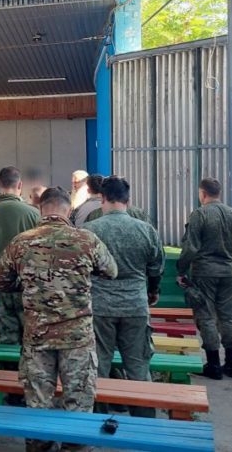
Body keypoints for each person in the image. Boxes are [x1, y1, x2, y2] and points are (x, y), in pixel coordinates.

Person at [0, 187, 118, 452]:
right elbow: (111, 271)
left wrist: (29, 284)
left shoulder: (21, 242)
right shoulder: (86, 239)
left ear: (40, 209)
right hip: (77, 337)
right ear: (68, 210)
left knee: (38, 405)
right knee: (79, 405)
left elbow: (0, 282)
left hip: (37, 338)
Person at [83, 176, 164, 418]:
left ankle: (97, 419)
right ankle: (144, 422)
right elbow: (156, 268)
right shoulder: (146, 230)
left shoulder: (90, 231)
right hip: (135, 305)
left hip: (100, 307)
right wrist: (153, 291)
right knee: (138, 365)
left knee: (98, 365)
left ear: (103, 199)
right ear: (128, 200)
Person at [177, 177, 232, 380]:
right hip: (229, 273)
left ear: (202, 193)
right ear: (219, 193)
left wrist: (181, 270)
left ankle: (213, 365)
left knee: (206, 316)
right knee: (227, 316)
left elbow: (191, 247)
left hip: (205, 273)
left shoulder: (199, 215)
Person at [0, 167, 40, 346]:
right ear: (20, 185)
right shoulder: (34, 214)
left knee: (5, 336)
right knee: (31, 335)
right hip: (27, 282)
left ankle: (6, 363)